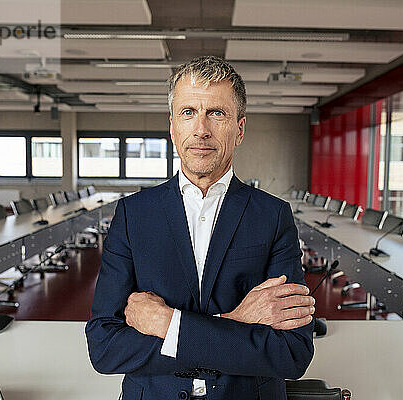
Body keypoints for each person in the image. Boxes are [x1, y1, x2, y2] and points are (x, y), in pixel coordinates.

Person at [86, 56, 316, 400]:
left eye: (217, 113)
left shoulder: (273, 216)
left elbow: (291, 353)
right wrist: (235, 321)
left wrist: (167, 325)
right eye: (188, 112)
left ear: (239, 129)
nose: (201, 130)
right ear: (172, 126)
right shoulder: (133, 215)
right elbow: (105, 347)